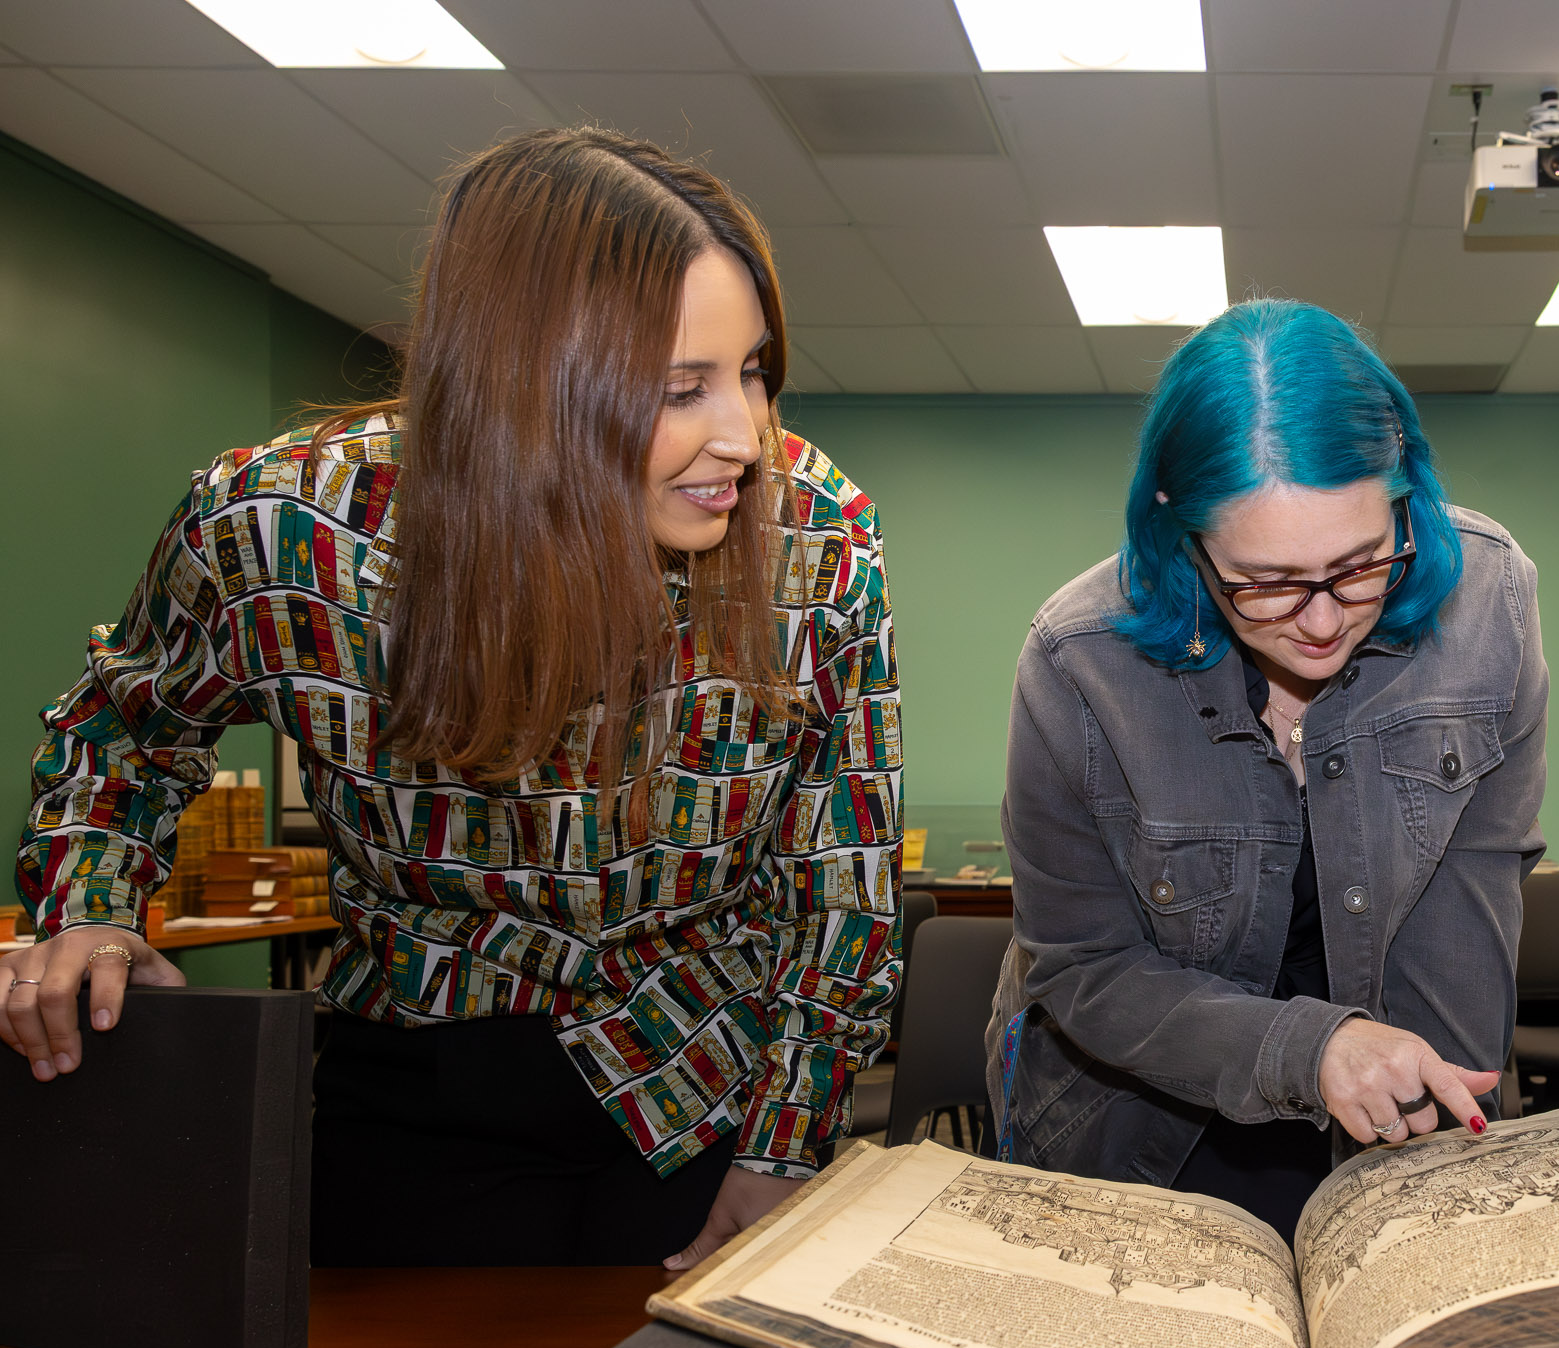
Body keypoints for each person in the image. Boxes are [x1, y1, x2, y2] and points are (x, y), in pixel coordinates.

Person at [6, 129, 902, 1269]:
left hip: (706, 1095)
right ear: (525, 383)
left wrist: (787, 1142)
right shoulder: (288, 530)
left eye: (755, 369)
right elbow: (118, 731)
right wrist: (92, 905)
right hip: (416, 1086)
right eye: (682, 389)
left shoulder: (816, 536)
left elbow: (846, 881)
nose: (746, 434)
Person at [986, 299, 1548, 1239]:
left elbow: (1472, 906)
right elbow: (1085, 968)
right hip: (1138, 1126)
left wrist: (1433, 1181)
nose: (1324, 621)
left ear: (1406, 489)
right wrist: (1311, 1047)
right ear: (1179, 533)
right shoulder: (1077, 662)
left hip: (1389, 1102)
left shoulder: (1490, 605)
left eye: (1363, 563)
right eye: (1268, 582)